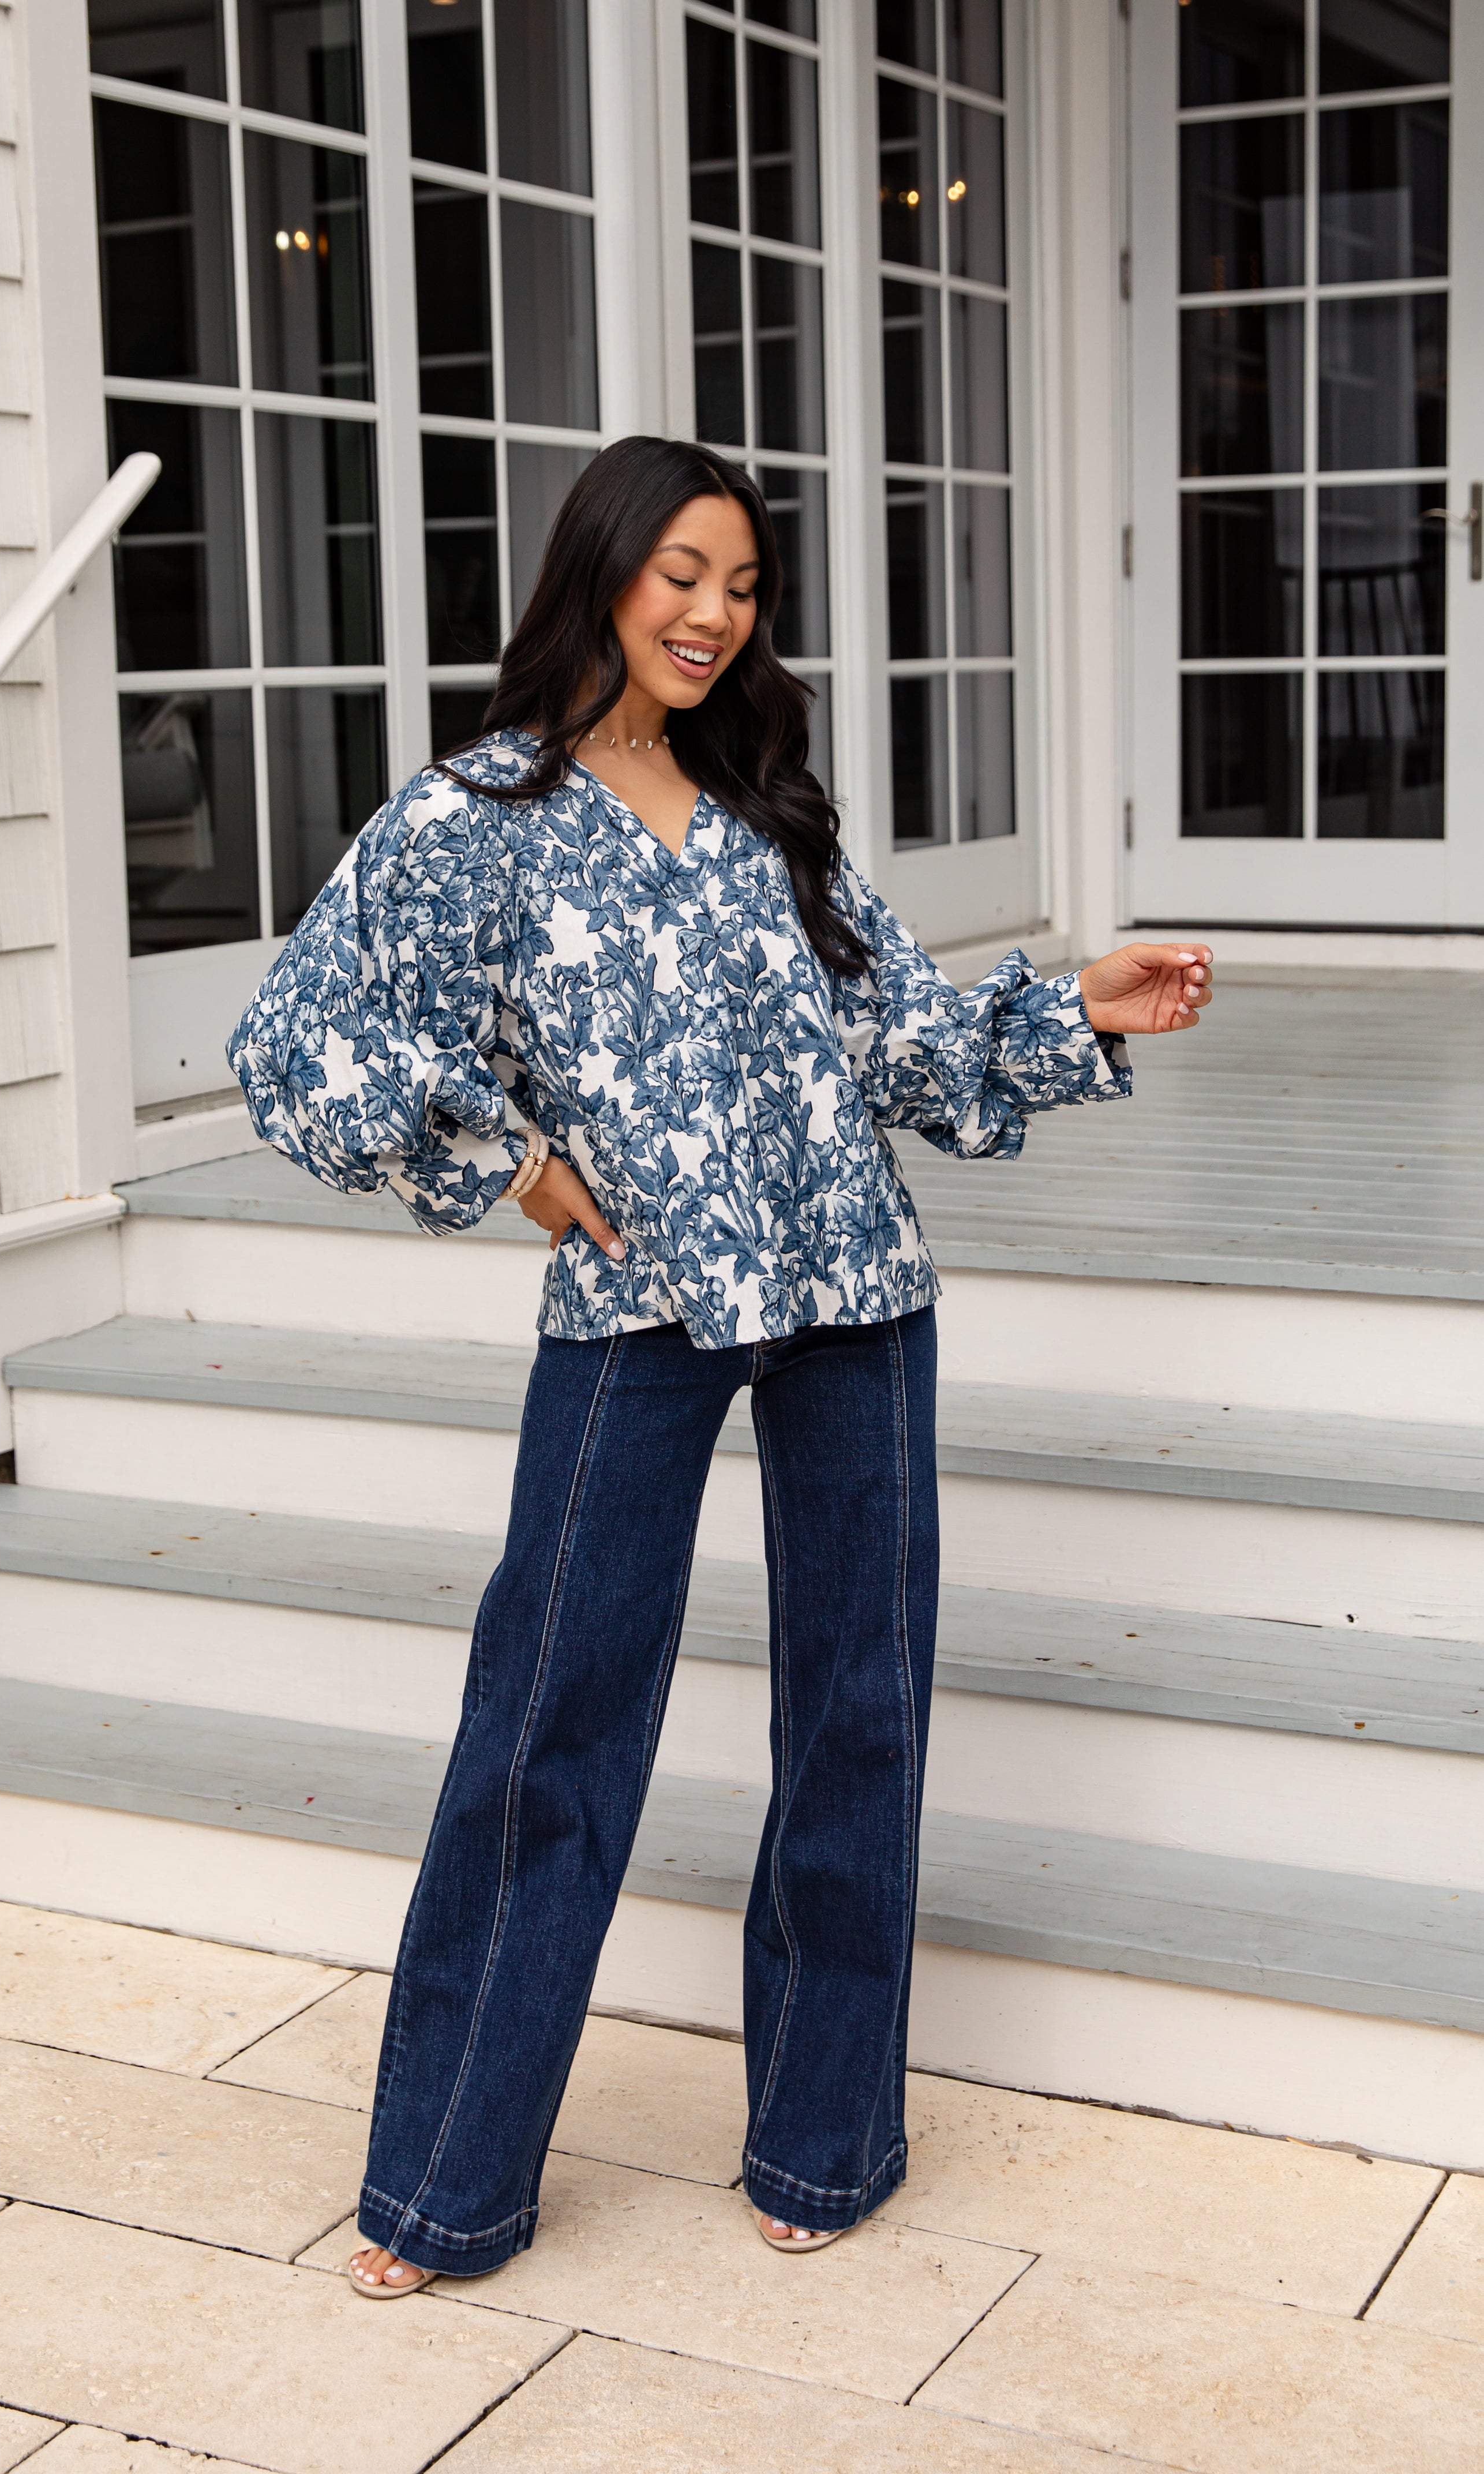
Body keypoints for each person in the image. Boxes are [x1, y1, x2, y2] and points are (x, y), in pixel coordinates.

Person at [228, 436, 1212, 2295]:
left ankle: (825, 2144)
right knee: (548, 1733)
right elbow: (295, 1041)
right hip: (634, 1306)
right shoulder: (472, 821)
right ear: (600, 571)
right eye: (684, 572)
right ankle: (445, 2187)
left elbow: (898, 1041)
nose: (713, 614)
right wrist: (501, 1162)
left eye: (743, 587)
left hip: (856, 1290)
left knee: (858, 1717)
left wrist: (1071, 1004)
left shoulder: (768, 804)